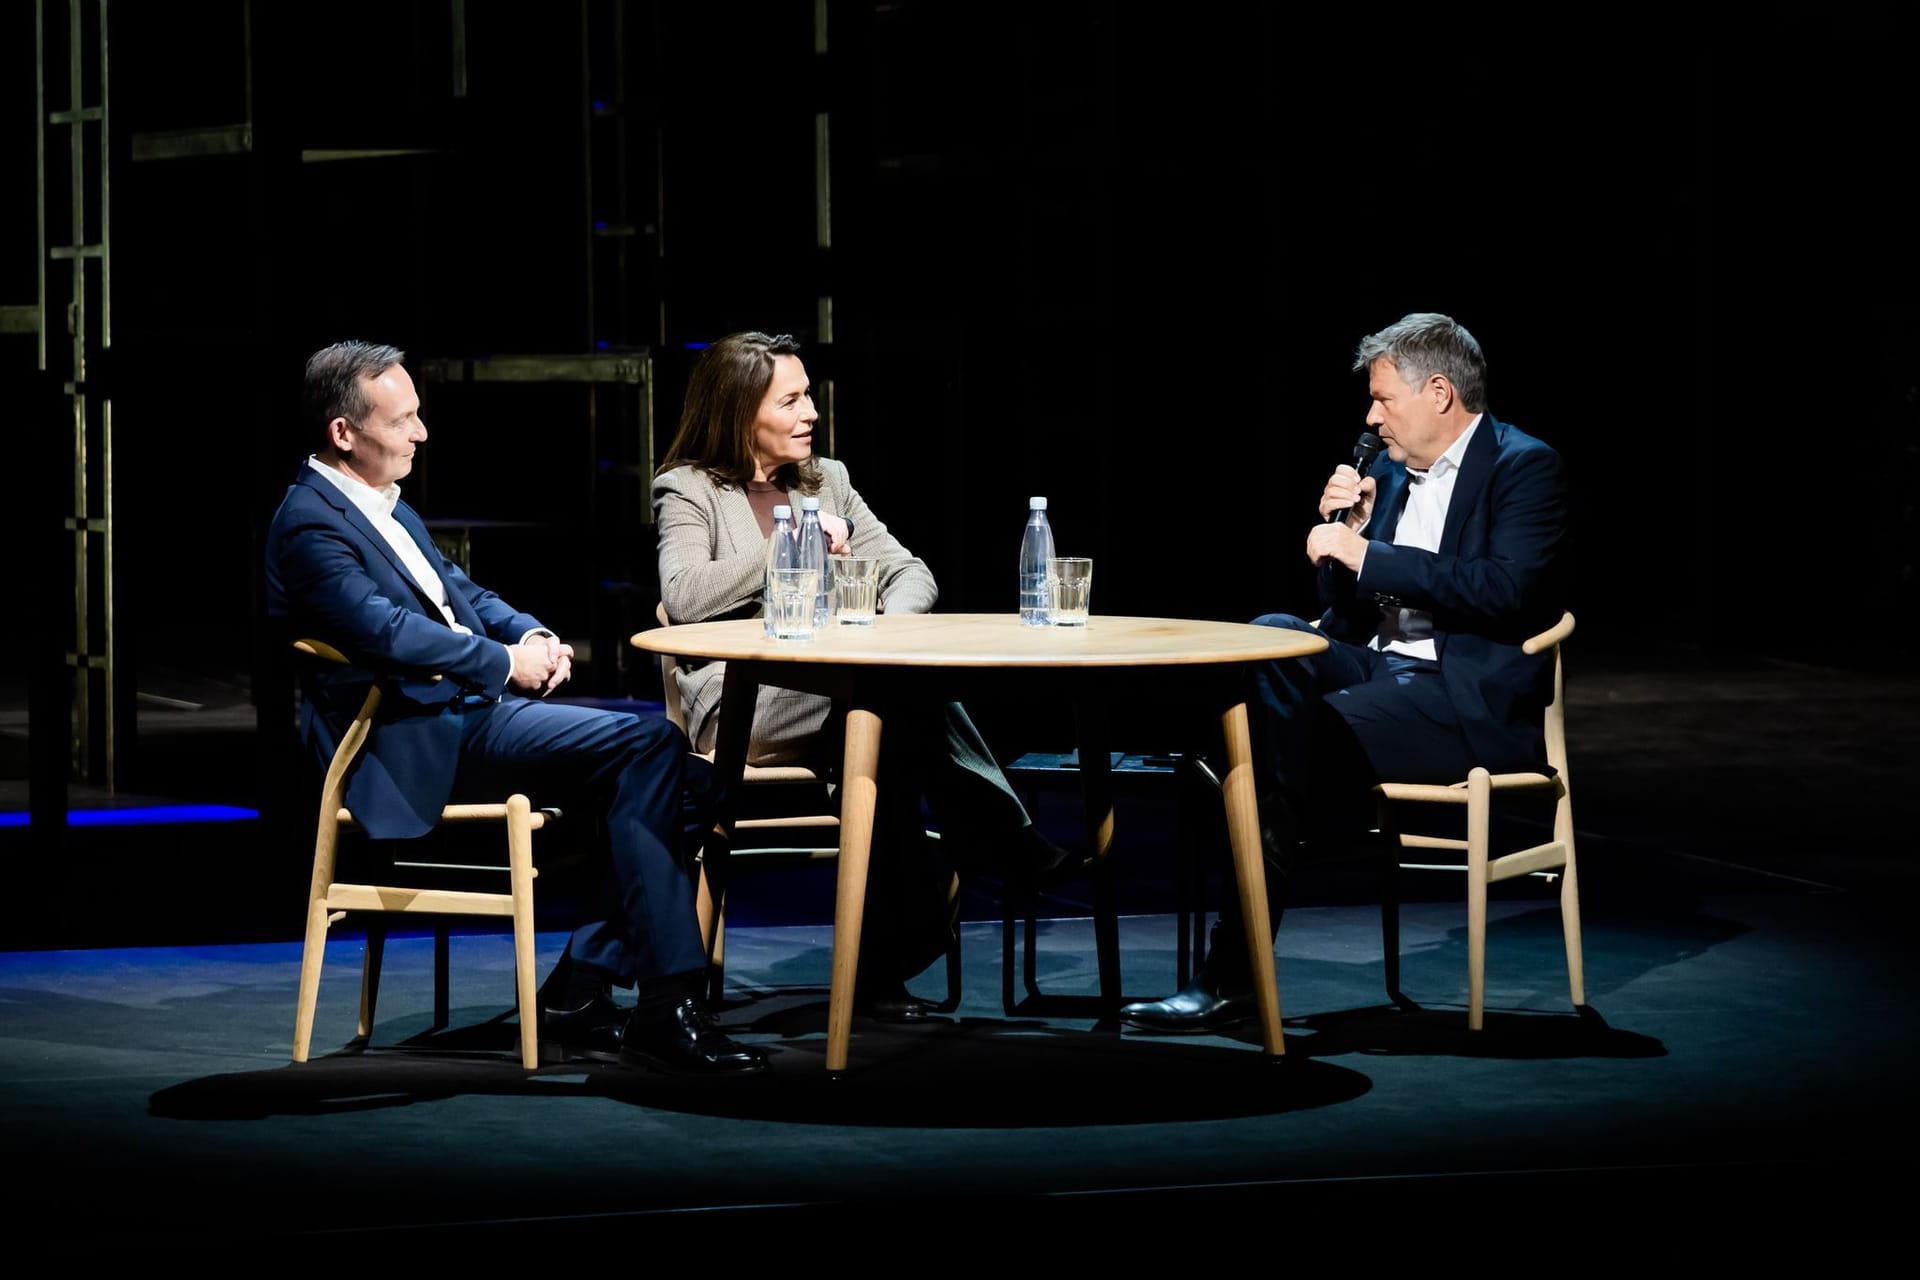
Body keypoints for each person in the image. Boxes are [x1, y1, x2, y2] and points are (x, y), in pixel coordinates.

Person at [266, 339, 767, 1075]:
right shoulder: (310, 523)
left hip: (461, 717)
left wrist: (527, 632)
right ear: (345, 433)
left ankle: (582, 988)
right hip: (409, 740)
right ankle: (665, 1004)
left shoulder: (382, 507)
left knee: (700, 784)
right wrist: (508, 666)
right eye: (403, 420)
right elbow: (388, 631)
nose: (420, 432)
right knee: (652, 747)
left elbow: (457, 594)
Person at [1118, 312, 1571, 1032]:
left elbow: (1505, 591)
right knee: (1272, 638)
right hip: (1379, 671)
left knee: (1259, 760)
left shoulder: (1523, 466)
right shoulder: (1390, 472)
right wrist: (1347, 544)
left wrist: (1371, 556)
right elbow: (1344, 614)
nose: (1371, 415)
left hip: (1457, 698)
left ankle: (1231, 971)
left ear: (1440, 393)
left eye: (1384, 399)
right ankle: (1247, 802)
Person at [652, 330, 1087, 1018]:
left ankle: (882, 965)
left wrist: (883, 626)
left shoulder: (830, 480)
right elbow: (683, 596)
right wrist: (788, 543)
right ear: (741, 413)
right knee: (900, 700)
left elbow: (912, 571)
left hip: (845, 691)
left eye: (808, 397)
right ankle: (1002, 839)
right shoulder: (690, 491)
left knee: (892, 750)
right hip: (742, 704)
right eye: (791, 400)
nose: (811, 413)